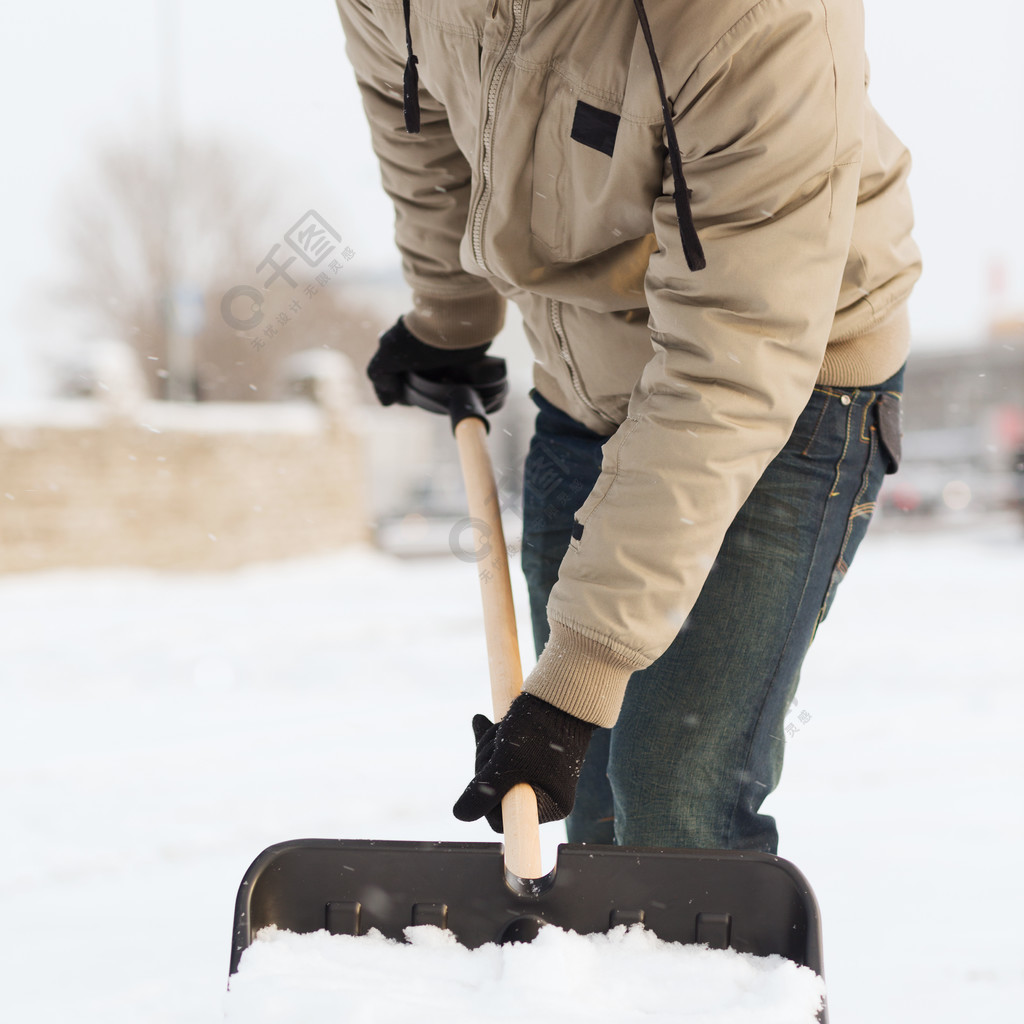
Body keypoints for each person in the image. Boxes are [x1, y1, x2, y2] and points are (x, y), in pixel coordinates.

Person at [336, 0, 921, 853]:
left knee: (670, 804)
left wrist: (580, 675)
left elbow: (734, 353)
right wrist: (450, 314)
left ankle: (714, 982)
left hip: (789, 385)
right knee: (600, 818)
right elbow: (417, 115)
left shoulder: (759, 17)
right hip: (582, 382)